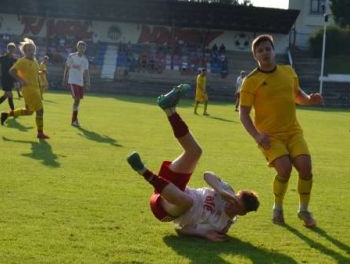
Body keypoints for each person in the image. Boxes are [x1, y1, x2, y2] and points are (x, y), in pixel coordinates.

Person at [126, 83, 260, 241]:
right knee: (195, 152)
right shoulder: (227, 192)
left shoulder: (222, 225)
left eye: (236, 206)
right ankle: (170, 110)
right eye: (234, 199)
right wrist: (221, 190)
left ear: (242, 213)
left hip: (167, 209)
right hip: (174, 188)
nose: (231, 203)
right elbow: (207, 175)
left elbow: (184, 230)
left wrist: (204, 234)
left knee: (188, 201)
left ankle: (144, 171)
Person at [239, 34, 323, 228]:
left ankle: (304, 210)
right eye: (260, 50)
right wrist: (257, 136)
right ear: (255, 56)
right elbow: (243, 114)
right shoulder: (250, 81)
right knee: (284, 169)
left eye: (268, 48)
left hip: (293, 132)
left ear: (273, 51)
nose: (265, 52)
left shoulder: (288, 71)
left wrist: (310, 99)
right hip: (270, 137)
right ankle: (277, 208)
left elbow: (298, 96)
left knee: (305, 167)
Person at [0, 37, 49, 141]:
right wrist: (21, 80)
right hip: (29, 90)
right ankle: (40, 133)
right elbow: (12, 71)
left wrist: (41, 73)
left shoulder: (35, 61)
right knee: (40, 110)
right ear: (25, 51)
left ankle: (7, 114)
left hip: (35, 89)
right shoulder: (22, 61)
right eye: (29, 50)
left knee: (29, 111)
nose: (32, 51)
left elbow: (35, 72)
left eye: (33, 49)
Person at [63, 40, 90, 127]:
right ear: (77, 47)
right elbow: (66, 67)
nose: (81, 48)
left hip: (80, 82)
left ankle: (75, 119)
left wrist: (88, 82)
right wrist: (65, 78)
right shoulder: (72, 56)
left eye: (83, 47)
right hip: (72, 81)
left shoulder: (85, 60)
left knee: (78, 101)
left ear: (85, 49)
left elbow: (86, 72)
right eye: (80, 46)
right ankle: (74, 120)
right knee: (76, 98)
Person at [0, 42, 18, 116]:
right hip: (4, 78)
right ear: (8, 49)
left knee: (9, 95)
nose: (11, 50)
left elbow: (16, 68)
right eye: (10, 48)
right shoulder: (2, 58)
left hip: (11, 79)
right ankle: (13, 112)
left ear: (14, 50)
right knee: (9, 94)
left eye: (13, 49)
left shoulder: (15, 59)